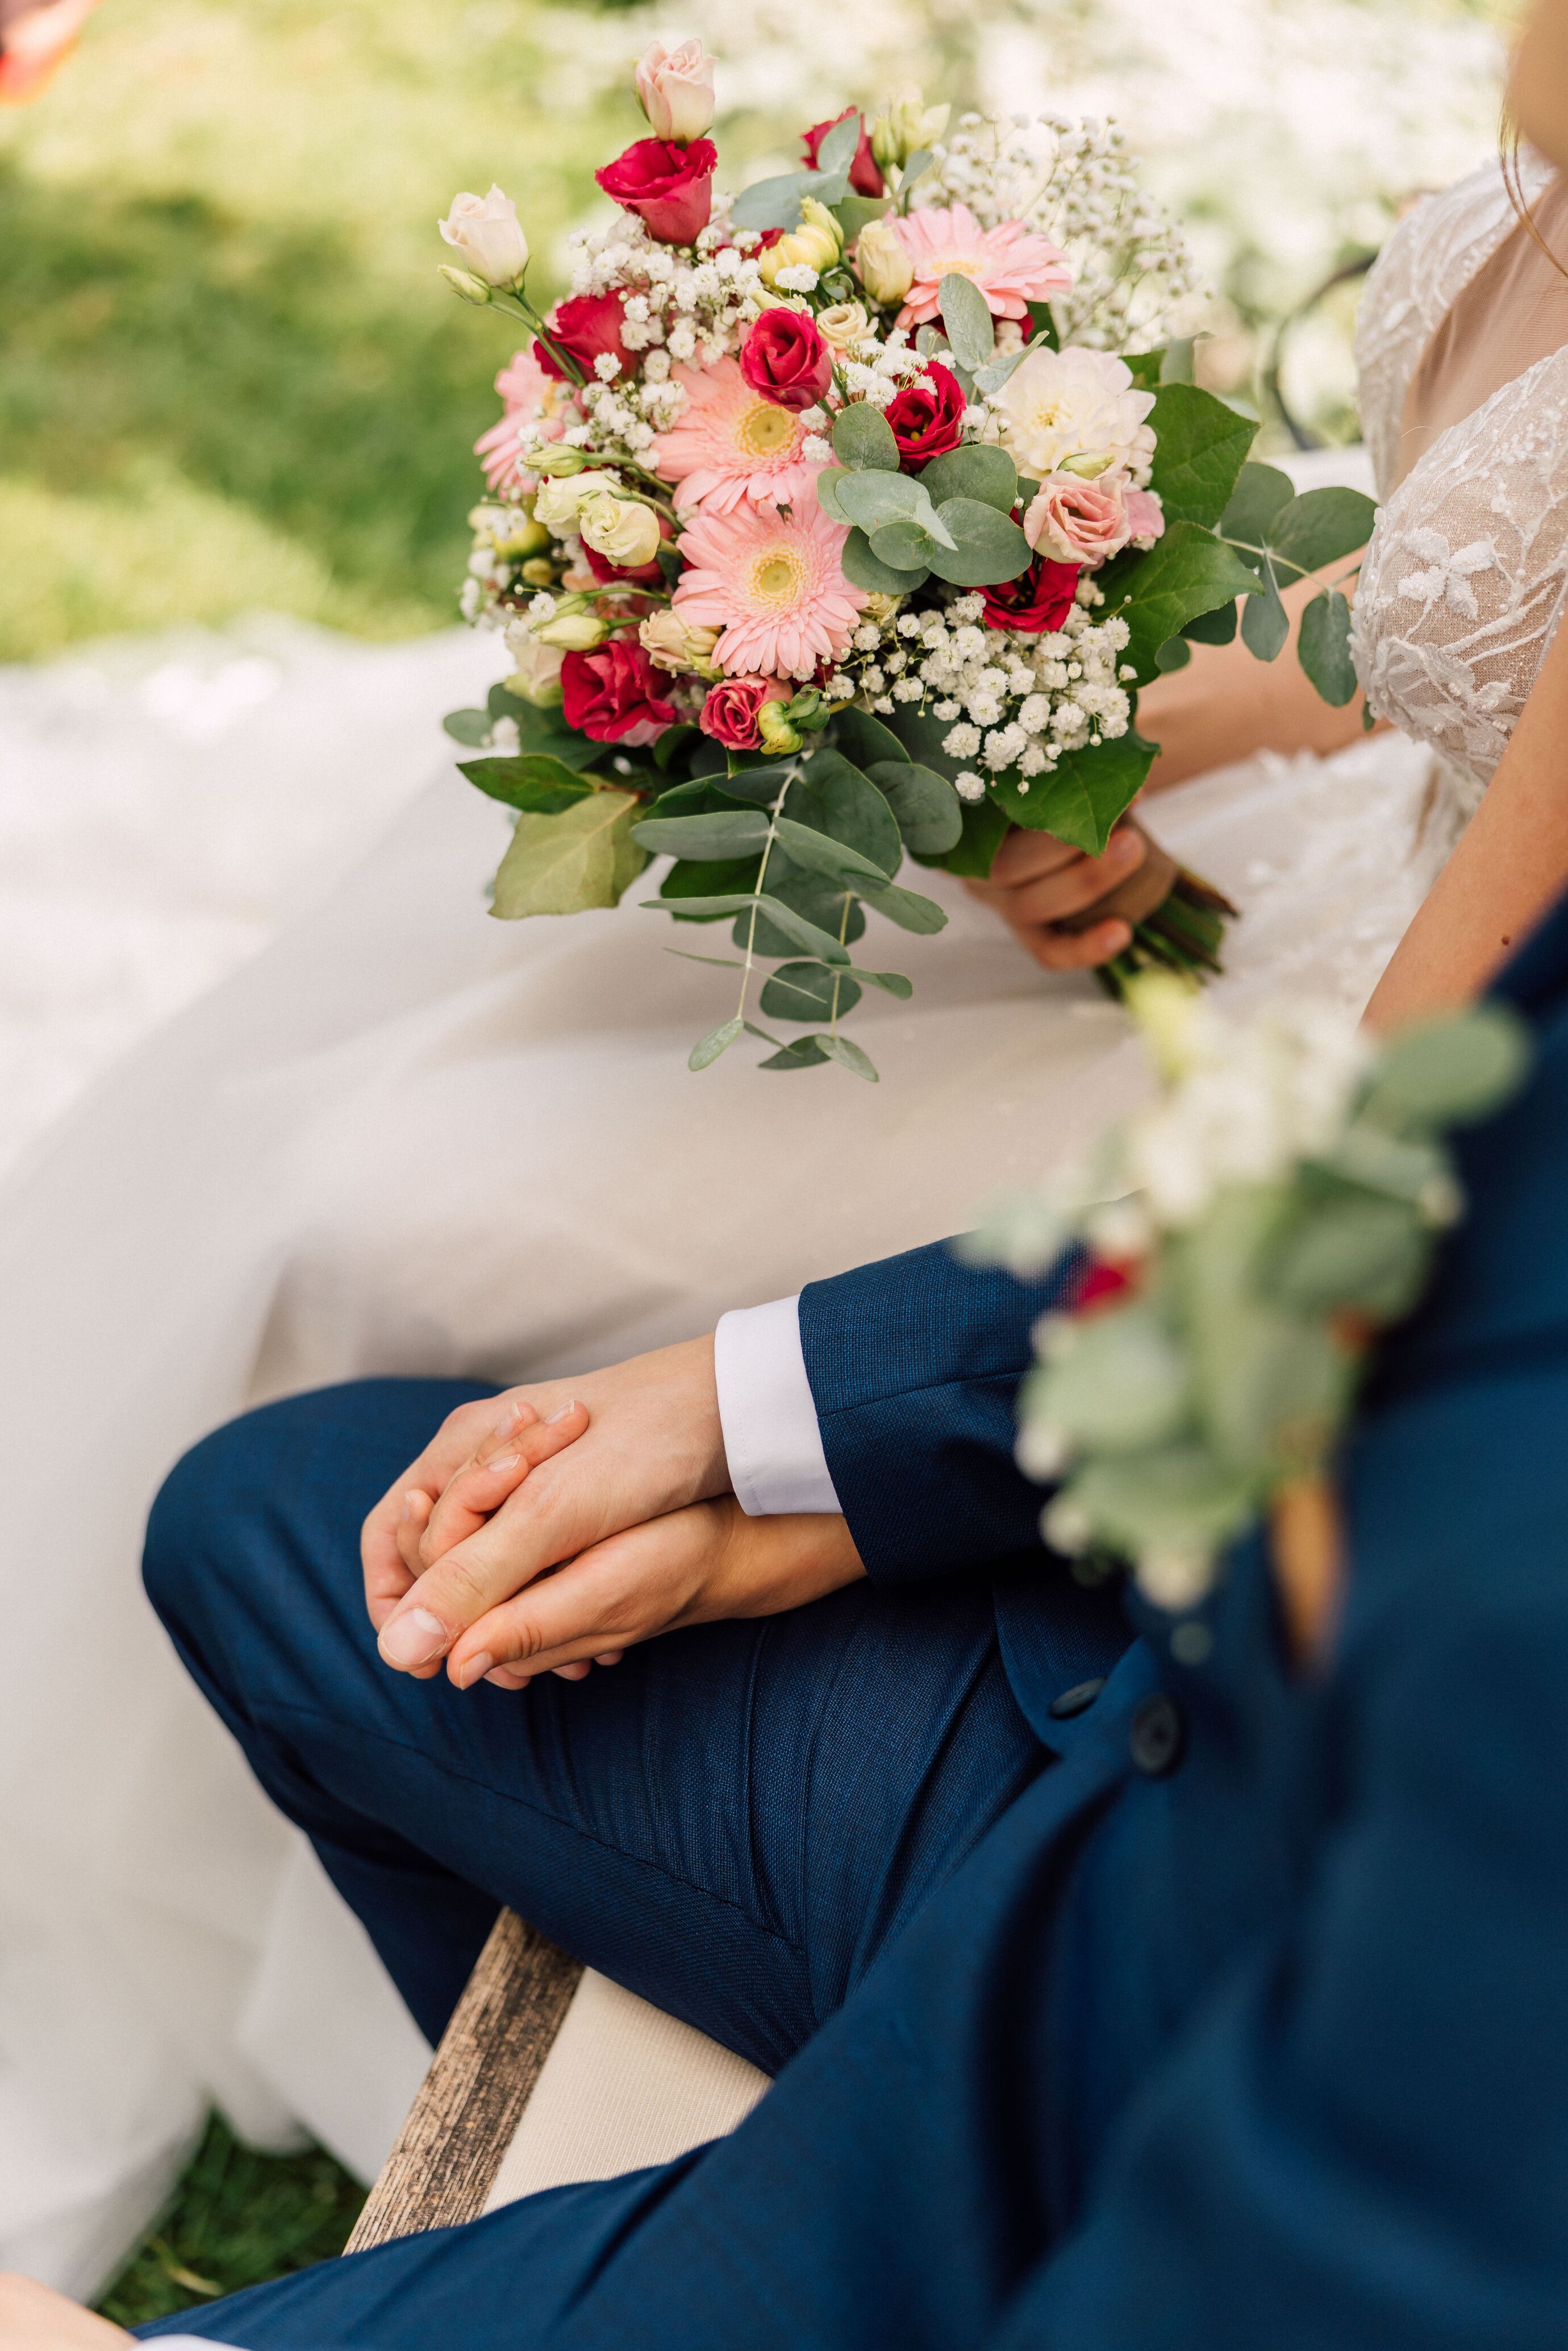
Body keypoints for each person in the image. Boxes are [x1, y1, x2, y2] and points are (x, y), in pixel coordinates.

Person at [0, 46, 1564, 2294]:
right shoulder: (1535, 116)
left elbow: (1385, 1196)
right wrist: (1034, 680)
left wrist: (785, 1439)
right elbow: (1434, 617)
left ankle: (628, 2139)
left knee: (396, 1275)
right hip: (1320, 900)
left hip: (1318, 1136)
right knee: (419, 1161)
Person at [10, 789, 1568, 2349]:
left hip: (1190, 2089)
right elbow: (1371, 1214)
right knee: (276, 1530)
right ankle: (600, 2166)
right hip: (1107, 1754)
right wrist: (775, 1444)